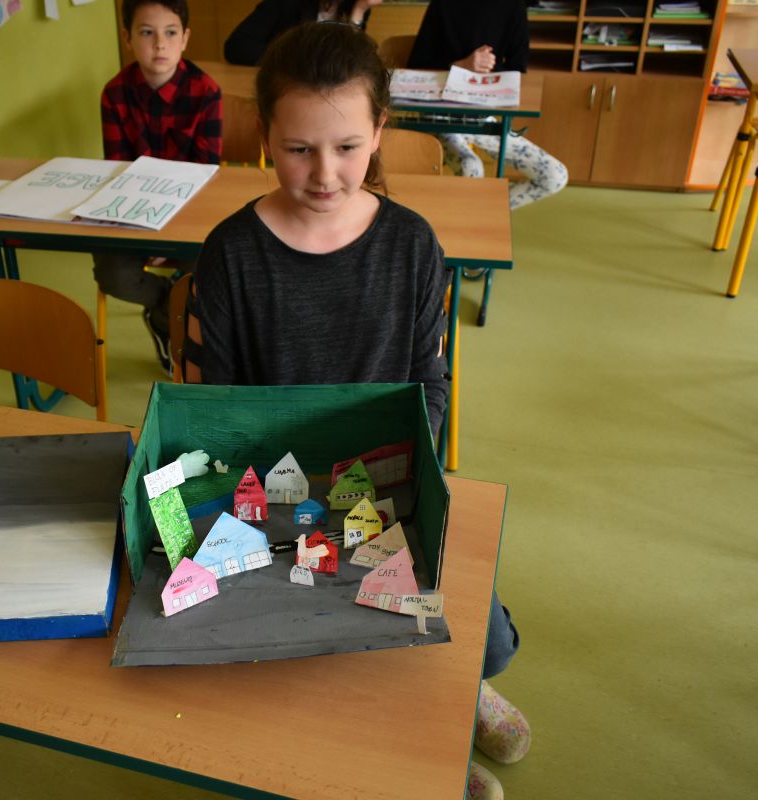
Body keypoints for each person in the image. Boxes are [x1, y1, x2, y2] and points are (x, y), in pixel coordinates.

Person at [194, 22, 527, 798]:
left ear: (379, 130)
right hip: (277, 496)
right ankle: (394, 748)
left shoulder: (412, 245)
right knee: (300, 640)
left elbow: (430, 385)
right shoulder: (231, 253)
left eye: (347, 147)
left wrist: (396, 484)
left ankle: (454, 702)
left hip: (386, 486)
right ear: (265, 137)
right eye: (298, 148)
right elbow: (218, 406)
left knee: (483, 638)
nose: (324, 173)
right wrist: (270, 510)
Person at [96, 0, 221, 374]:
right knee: (112, 275)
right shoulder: (114, 93)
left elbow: (205, 175)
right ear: (127, 38)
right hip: (134, 214)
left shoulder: (206, 91)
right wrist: (148, 234)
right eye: (146, 33)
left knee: (209, 274)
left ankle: (167, 319)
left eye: (170, 33)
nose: (159, 44)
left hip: (189, 213)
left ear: (185, 38)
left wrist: (168, 236)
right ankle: (168, 304)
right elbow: (120, 172)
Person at [407, 0, 567, 210]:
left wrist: (486, 72)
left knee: (554, 176)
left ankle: (482, 213)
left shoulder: (513, 6)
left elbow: (518, 70)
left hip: (483, 117)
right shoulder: (443, 4)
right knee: (471, 168)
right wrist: (460, 66)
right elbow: (416, 65)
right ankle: (470, 220)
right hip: (440, 116)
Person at [223, 0, 383, 66]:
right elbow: (236, 46)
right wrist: (295, 60)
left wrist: (360, 10)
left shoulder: (354, 5)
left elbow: (349, 59)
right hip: (285, 86)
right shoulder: (285, 2)